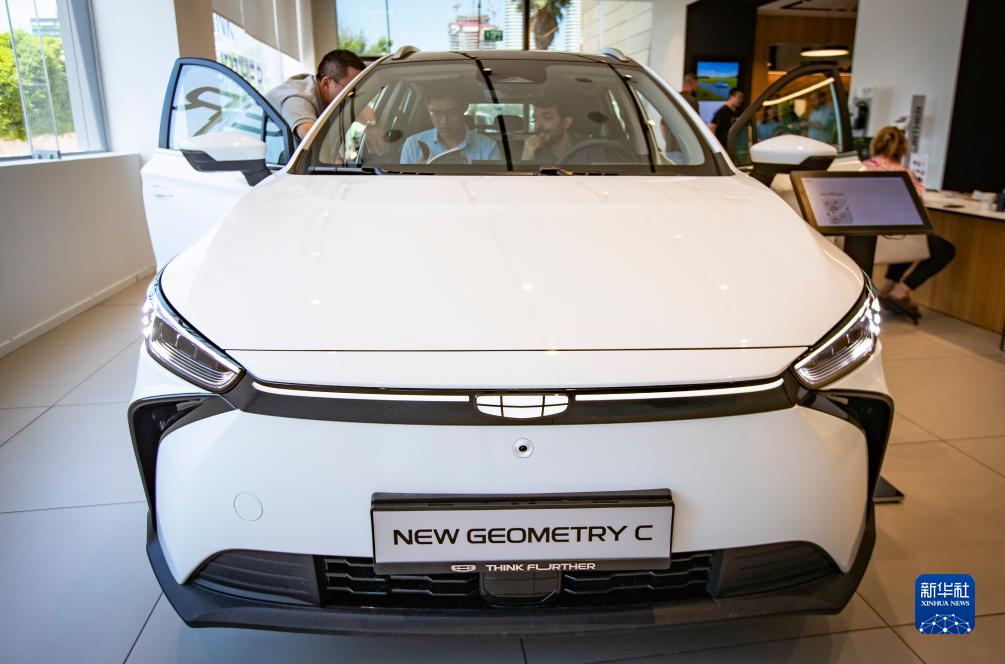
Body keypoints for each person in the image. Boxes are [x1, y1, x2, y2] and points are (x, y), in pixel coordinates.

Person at [863, 126, 956, 320]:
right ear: (904, 149)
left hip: (869, 238)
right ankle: (900, 291)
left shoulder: (861, 168)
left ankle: (887, 289)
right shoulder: (906, 175)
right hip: (897, 237)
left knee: (910, 241)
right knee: (942, 249)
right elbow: (917, 206)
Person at [267, 49, 365, 139]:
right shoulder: (297, 99)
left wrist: (369, 126)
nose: (354, 95)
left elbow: (366, 116)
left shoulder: (329, 95)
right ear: (326, 84)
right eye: (351, 89)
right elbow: (312, 138)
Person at [400, 91, 501, 164]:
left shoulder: (488, 147)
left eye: (452, 113)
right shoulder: (413, 144)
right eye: (436, 113)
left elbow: (493, 185)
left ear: (464, 108)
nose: (444, 121)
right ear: (428, 110)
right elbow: (403, 185)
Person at [520, 95, 608, 164]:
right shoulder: (532, 150)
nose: (537, 125)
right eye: (535, 119)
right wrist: (527, 156)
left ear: (566, 123)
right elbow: (523, 182)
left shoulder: (590, 149)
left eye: (547, 118)